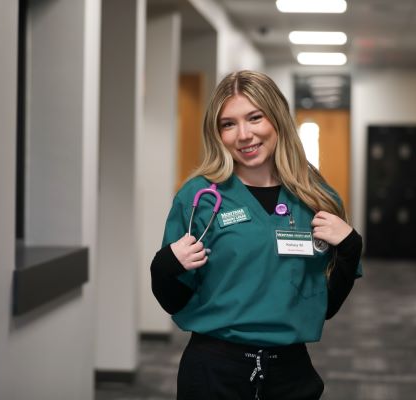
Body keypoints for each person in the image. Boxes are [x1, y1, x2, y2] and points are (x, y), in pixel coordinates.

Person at [150, 70, 362, 400]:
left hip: (290, 373)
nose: (244, 135)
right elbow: (173, 300)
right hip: (214, 371)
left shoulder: (316, 197)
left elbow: (326, 306)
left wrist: (350, 247)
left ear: (276, 117)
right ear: (217, 132)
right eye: (228, 124)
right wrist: (163, 266)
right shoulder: (199, 198)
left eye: (254, 117)